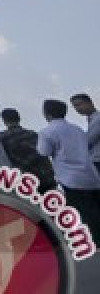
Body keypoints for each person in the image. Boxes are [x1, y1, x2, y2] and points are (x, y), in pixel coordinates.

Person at [37, 99, 100, 238]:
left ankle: (95, 241)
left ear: (46, 114)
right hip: (91, 175)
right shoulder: (77, 129)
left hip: (70, 178)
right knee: (95, 208)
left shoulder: (47, 132)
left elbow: (43, 152)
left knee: (84, 213)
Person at [0, 108, 56, 193]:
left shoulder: (1, 138)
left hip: (25, 180)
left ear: (4, 121)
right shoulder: (33, 134)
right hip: (45, 177)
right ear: (19, 118)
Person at [70, 93, 100, 178]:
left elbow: (87, 141)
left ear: (90, 103)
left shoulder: (97, 120)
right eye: (75, 106)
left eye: (79, 105)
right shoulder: (92, 120)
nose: (77, 109)